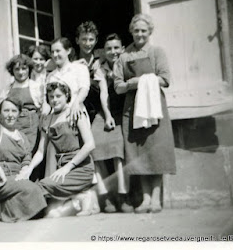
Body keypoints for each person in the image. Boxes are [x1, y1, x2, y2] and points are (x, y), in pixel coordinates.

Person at [113, 14, 176, 213]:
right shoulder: (124, 56)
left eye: (144, 30)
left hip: (154, 108)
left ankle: (156, 199)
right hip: (133, 110)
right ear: (131, 31)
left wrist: (143, 80)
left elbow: (165, 79)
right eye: (136, 30)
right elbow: (118, 86)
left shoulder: (157, 52)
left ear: (149, 32)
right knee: (138, 154)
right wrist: (133, 83)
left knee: (156, 152)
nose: (140, 34)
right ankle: (145, 199)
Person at [17, 82, 97, 217]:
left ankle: (85, 197)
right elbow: (41, 151)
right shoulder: (47, 120)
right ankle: (78, 196)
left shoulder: (75, 113)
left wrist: (68, 167)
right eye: (51, 97)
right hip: (61, 171)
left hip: (80, 168)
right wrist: (29, 169)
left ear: (66, 96)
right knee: (51, 214)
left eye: (58, 96)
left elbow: (90, 144)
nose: (54, 100)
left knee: (43, 186)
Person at [0, 97, 47, 222]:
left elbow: (26, 159)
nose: (10, 115)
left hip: (15, 179)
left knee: (29, 192)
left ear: (19, 113)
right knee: (33, 190)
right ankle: (0, 204)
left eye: (14, 111)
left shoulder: (22, 136)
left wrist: (24, 172)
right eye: (6, 111)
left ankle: (1, 208)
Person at [90, 33, 133, 213]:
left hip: (124, 112)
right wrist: (107, 115)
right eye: (109, 48)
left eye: (116, 48)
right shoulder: (101, 69)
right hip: (106, 111)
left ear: (122, 49)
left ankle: (123, 195)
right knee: (94, 145)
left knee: (118, 149)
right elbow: (104, 94)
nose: (113, 52)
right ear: (103, 51)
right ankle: (106, 194)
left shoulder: (127, 64)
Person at [45, 37, 91, 177]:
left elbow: (84, 88)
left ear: (68, 51)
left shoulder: (79, 68)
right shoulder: (51, 76)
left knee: (80, 152)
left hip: (75, 116)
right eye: (52, 52)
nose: (55, 55)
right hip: (58, 121)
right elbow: (48, 100)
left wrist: (76, 104)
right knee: (53, 155)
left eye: (58, 51)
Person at [5, 54, 47, 154]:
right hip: (14, 125)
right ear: (12, 71)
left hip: (32, 127)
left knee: (30, 153)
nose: (21, 72)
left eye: (24, 68)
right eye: (17, 69)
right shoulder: (7, 89)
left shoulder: (36, 86)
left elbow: (44, 105)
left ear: (29, 69)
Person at [74, 21, 101, 122]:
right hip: (78, 109)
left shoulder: (100, 57)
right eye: (84, 39)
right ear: (77, 40)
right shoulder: (72, 59)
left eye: (91, 40)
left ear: (96, 40)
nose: (87, 44)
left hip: (98, 111)